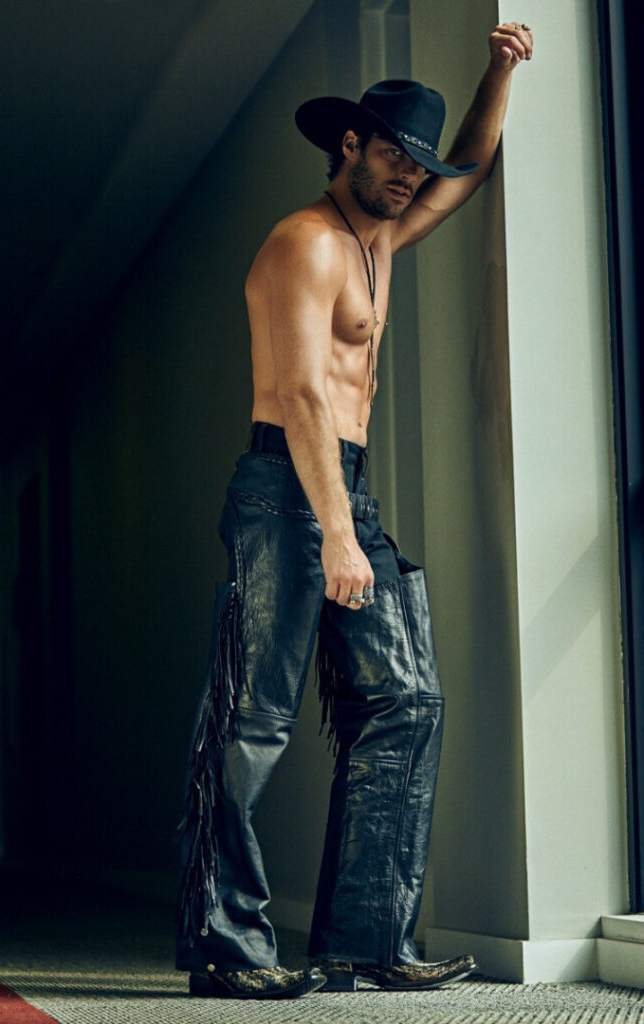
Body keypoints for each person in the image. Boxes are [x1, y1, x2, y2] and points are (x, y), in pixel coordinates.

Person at [174, 21, 534, 1001]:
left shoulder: (381, 234)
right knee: (253, 718)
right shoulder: (305, 242)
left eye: (417, 164)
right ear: (350, 145)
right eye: (394, 157)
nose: (410, 176)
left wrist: (498, 70)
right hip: (282, 489)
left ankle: (365, 938)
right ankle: (225, 945)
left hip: (344, 484)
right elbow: (298, 393)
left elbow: (466, 170)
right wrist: (336, 533)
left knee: (405, 698)